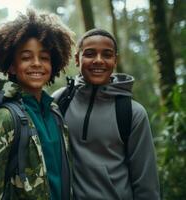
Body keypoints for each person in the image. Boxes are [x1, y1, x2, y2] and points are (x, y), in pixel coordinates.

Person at [0, 9, 74, 200]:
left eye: (44, 58)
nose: (36, 63)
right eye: (26, 57)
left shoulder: (55, 113)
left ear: (53, 64)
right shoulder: (4, 117)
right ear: (12, 66)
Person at [53, 28, 160, 199]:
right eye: (89, 54)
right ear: (77, 60)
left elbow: (146, 181)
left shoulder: (132, 113)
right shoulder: (60, 101)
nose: (98, 60)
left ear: (115, 61)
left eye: (107, 55)